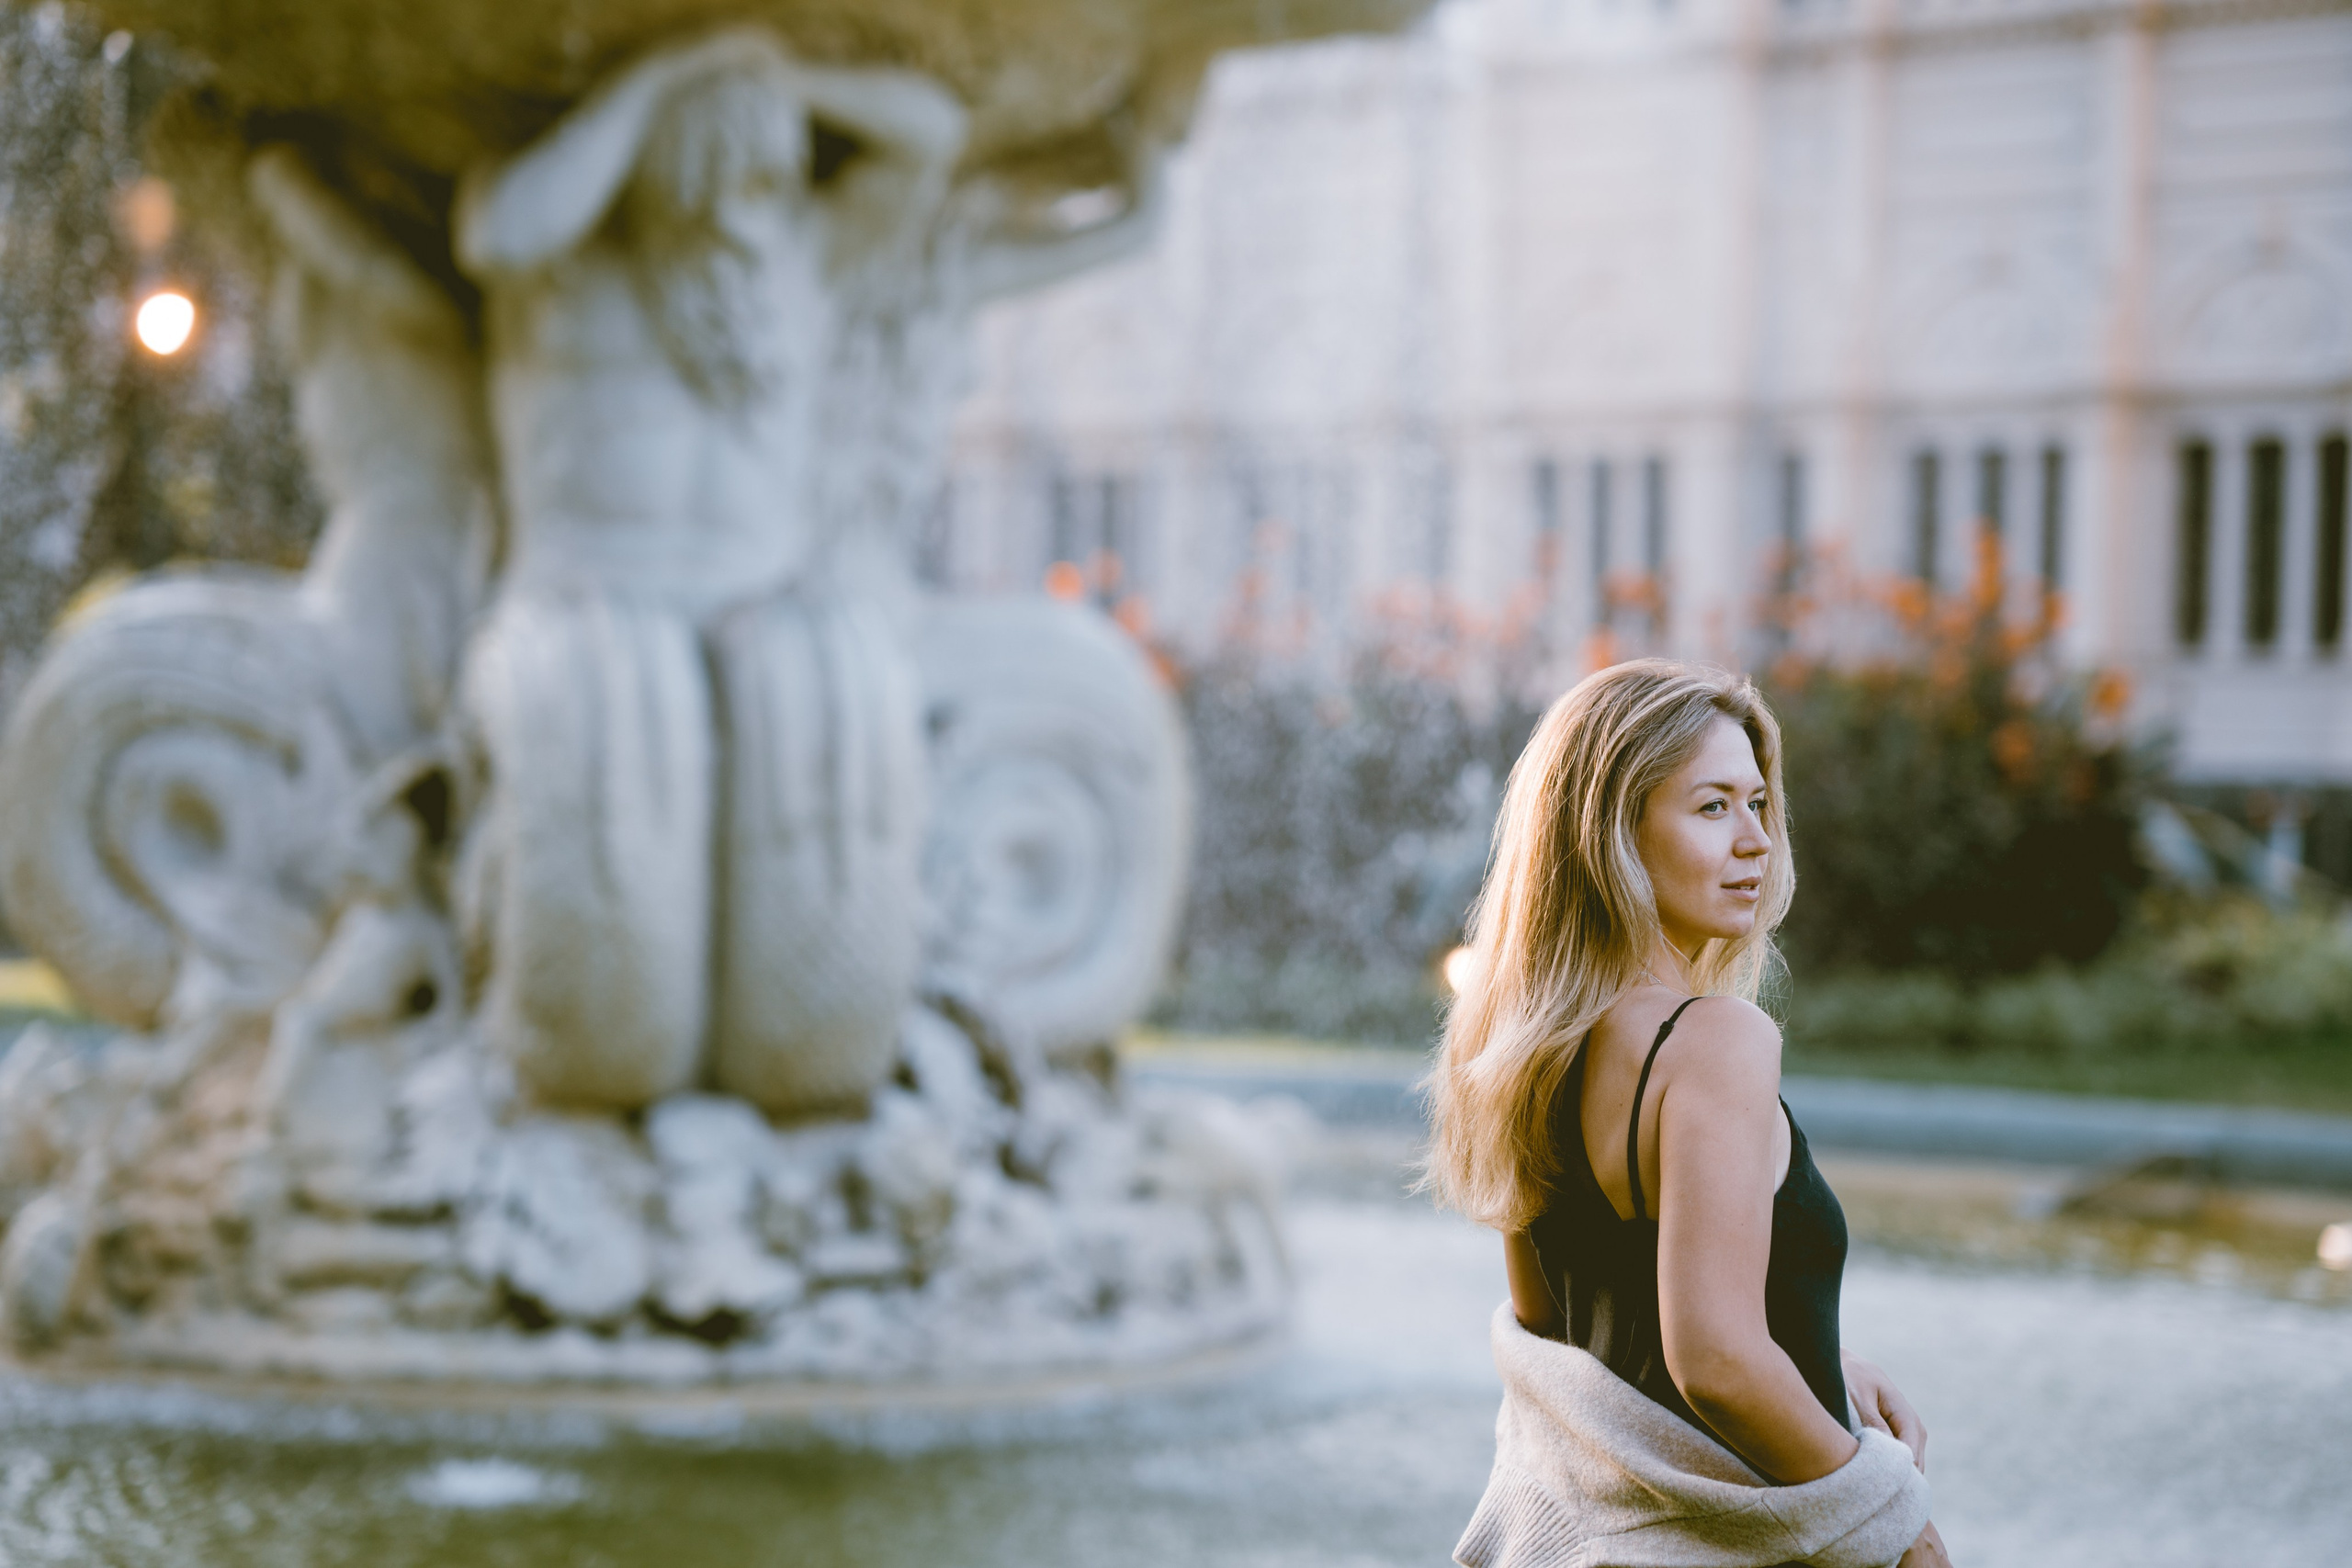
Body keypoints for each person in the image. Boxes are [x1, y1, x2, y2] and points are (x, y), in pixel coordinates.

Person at [1427, 660, 1951, 1567]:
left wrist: (1822, 1368)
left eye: (1757, 805)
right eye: (1711, 808)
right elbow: (1713, 1360)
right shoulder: (1714, 1043)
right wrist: (1895, 1524)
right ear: (1611, 837)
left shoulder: (1522, 1048)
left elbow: (1565, 1334)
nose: (1755, 841)